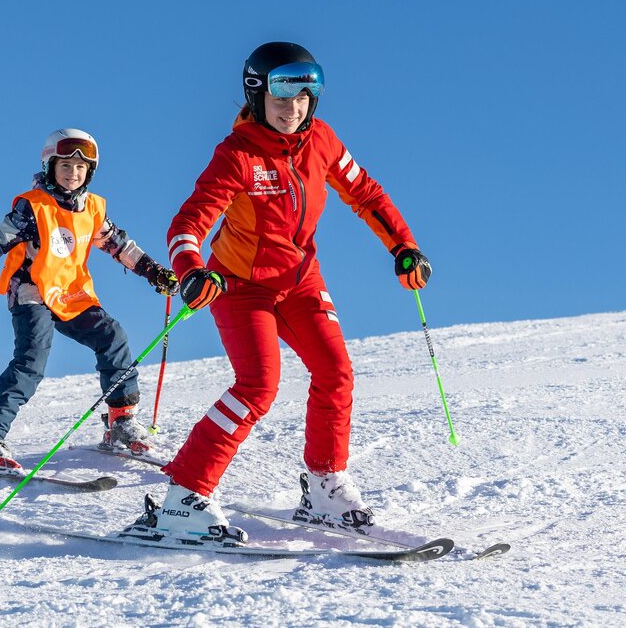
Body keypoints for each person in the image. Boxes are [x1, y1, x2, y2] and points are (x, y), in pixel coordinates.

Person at [127, 42, 432, 546]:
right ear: (257, 96)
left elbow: (366, 192)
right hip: (238, 286)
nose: (293, 110)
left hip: (300, 280)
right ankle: (182, 498)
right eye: (281, 99)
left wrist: (404, 246)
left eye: (303, 99)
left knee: (335, 371)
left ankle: (324, 486)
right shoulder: (237, 154)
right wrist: (190, 269)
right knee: (258, 384)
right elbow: (189, 222)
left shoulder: (323, 141)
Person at [0, 128, 178, 469]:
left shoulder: (93, 208)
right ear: (50, 166)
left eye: (81, 168)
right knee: (32, 360)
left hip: (72, 294)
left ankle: (121, 422)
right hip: (32, 291)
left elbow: (119, 245)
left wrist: (154, 271)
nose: (73, 173)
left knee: (113, 337)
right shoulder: (33, 206)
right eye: (65, 165)